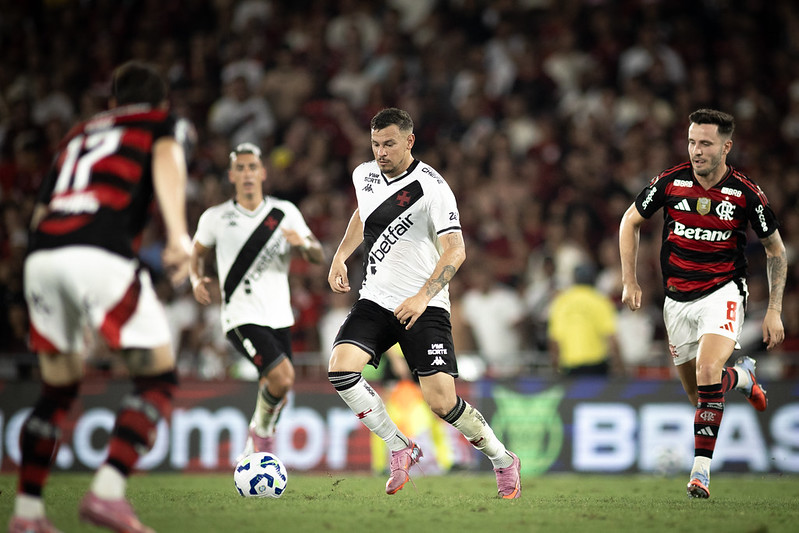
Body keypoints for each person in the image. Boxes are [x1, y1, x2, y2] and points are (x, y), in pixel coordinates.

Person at [9, 61, 193, 533]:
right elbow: (167, 158)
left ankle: (27, 513)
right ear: (160, 104)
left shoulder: (78, 132)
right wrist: (177, 235)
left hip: (42, 253)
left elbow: (39, 212)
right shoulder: (157, 122)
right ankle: (108, 493)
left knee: (58, 387)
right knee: (159, 377)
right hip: (99, 247)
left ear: (112, 103)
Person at [327, 107, 521, 498]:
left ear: (409, 141)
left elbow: (456, 250)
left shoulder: (432, 187)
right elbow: (363, 214)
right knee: (341, 370)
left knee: (442, 402)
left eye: (389, 144)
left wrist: (422, 297)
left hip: (425, 306)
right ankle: (400, 447)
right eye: (375, 144)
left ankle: (503, 459)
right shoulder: (363, 175)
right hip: (377, 300)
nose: (381, 152)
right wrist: (340, 255)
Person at [619, 108, 787, 499]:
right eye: (692, 142)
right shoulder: (670, 182)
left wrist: (775, 309)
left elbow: (776, 251)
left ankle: (700, 473)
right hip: (676, 301)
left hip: (723, 291)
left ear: (726, 147)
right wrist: (630, 280)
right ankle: (742, 378)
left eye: (706, 143)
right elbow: (630, 221)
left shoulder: (746, 193)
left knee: (709, 368)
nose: (697, 150)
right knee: (701, 397)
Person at [190, 141, 324, 460]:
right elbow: (196, 254)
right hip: (240, 315)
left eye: (253, 167)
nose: (247, 173)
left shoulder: (284, 212)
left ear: (263, 173)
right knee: (283, 377)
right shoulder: (216, 217)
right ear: (231, 175)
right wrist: (196, 279)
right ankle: (261, 434)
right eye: (241, 168)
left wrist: (302, 243)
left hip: (278, 315)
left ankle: (252, 448)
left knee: (277, 389)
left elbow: (318, 255)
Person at [548, 263, 624, 376]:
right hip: (597, 367)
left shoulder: (562, 302)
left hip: (570, 367)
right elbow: (611, 338)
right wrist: (619, 366)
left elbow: (555, 340)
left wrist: (556, 368)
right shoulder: (600, 300)